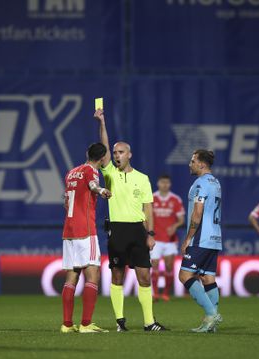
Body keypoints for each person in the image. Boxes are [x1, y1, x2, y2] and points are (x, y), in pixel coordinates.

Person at [94, 109, 167, 332]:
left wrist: (151, 234)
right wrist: (102, 122)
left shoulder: (143, 179)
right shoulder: (109, 174)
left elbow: (148, 208)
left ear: (130, 154)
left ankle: (149, 322)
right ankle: (120, 322)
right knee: (117, 276)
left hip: (137, 231)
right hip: (117, 230)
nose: (116, 155)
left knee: (145, 277)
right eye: (114, 152)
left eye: (121, 152)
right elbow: (103, 146)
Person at [60, 143, 112, 334]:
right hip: (86, 230)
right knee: (93, 275)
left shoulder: (71, 172)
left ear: (86, 153)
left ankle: (66, 325)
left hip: (69, 229)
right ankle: (86, 324)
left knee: (71, 276)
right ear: (102, 159)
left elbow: (66, 201)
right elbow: (93, 185)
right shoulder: (92, 171)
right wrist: (102, 191)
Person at [178, 149, 223, 333]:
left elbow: (197, 213)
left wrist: (188, 238)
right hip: (215, 238)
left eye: (193, 160)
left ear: (202, 164)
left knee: (185, 276)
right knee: (207, 277)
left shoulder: (200, 183)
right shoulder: (216, 182)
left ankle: (212, 314)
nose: (190, 164)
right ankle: (210, 323)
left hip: (201, 238)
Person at [151, 174, 185, 302]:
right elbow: (146, 216)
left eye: (167, 182)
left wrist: (175, 226)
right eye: (162, 182)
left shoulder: (175, 199)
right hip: (155, 239)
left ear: (169, 184)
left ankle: (165, 293)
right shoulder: (152, 198)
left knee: (169, 266)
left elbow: (181, 219)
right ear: (158, 183)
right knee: (154, 264)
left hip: (170, 239)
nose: (164, 184)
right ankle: (154, 293)